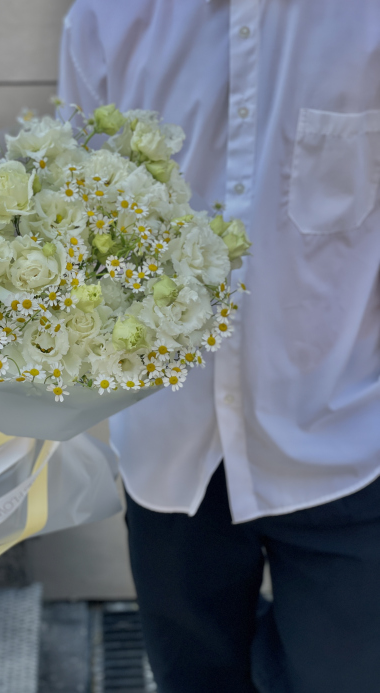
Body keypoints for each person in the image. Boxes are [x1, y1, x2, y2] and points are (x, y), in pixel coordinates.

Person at [57, 2, 380, 692]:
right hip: (171, 448)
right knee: (191, 677)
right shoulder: (108, 19)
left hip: (347, 441)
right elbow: (74, 213)